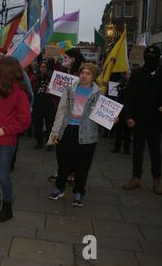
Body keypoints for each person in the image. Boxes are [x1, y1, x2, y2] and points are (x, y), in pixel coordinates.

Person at [47, 63, 102, 207]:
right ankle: (59, 188)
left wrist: (112, 119)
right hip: (68, 129)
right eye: (82, 72)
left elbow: (101, 115)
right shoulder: (70, 89)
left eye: (88, 73)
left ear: (94, 76)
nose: (84, 75)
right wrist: (55, 131)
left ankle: (79, 192)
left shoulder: (98, 93)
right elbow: (61, 110)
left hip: (88, 133)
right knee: (63, 162)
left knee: (83, 165)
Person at [0, 57, 31, 222]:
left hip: (6, 139)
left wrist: (6, 130)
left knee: (2, 174)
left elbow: (25, 120)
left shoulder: (20, 93)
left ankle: (7, 207)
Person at [122, 45, 162, 195]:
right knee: (138, 150)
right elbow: (129, 96)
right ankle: (136, 177)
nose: (151, 57)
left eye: (154, 55)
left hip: (156, 120)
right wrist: (128, 116)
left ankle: (157, 180)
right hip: (139, 119)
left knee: (155, 150)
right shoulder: (137, 73)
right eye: (148, 54)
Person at [33, 60, 56, 150]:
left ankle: (50, 143)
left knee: (50, 125)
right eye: (41, 67)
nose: (43, 69)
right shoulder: (36, 77)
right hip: (38, 104)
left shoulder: (51, 77)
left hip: (48, 104)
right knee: (37, 125)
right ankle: (39, 142)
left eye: (45, 67)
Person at [112, 70, 132, 154]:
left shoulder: (134, 85)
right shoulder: (121, 84)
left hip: (129, 111)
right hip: (119, 109)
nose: (128, 76)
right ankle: (117, 147)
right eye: (127, 74)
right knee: (118, 130)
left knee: (127, 131)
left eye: (130, 74)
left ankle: (126, 149)